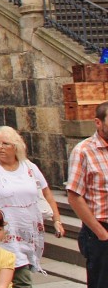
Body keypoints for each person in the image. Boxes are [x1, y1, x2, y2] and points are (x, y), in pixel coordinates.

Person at [0, 125, 64, 284]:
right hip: (0, 235)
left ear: (16, 147)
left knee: (18, 278)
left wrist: (57, 220)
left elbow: (46, 193)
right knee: (15, 279)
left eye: (5, 143)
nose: (1, 148)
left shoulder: (30, 168)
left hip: (26, 232)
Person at [67, 101, 108, 288]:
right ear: (98, 122)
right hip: (101, 229)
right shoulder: (83, 151)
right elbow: (74, 196)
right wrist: (101, 233)